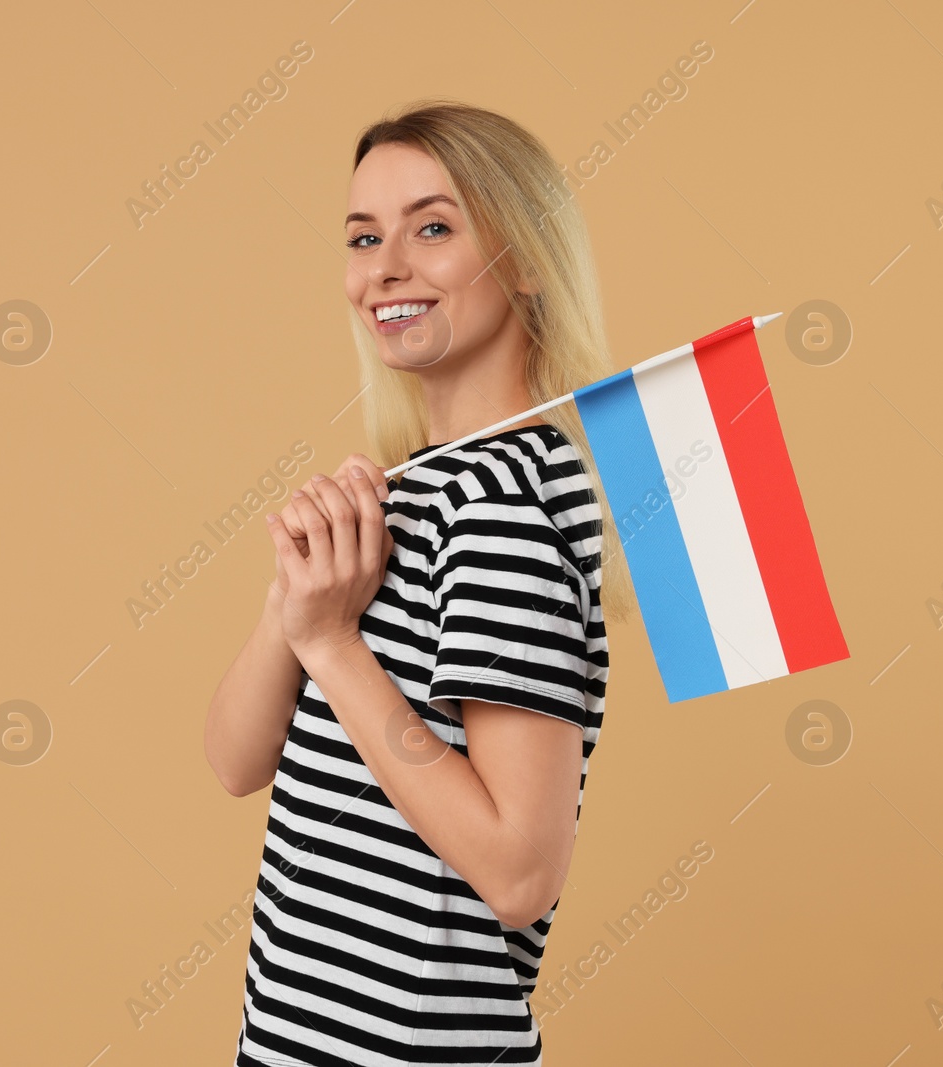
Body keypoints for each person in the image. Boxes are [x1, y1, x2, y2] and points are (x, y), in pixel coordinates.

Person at [204, 99, 637, 1066]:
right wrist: (297, 596)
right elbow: (236, 762)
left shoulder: (503, 502)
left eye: (432, 227)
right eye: (364, 236)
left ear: (525, 259)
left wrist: (331, 644)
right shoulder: (410, 484)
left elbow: (520, 870)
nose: (384, 267)